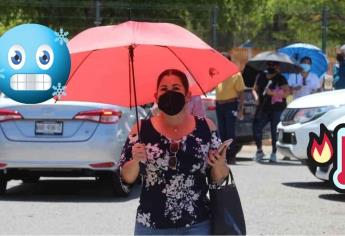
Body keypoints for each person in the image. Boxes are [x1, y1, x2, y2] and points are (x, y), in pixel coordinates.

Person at [119, 69, 230, 235]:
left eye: (176, 88)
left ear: (187, 95)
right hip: (150, 225)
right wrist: (135, 160)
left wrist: (220, 165)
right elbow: (126, 178)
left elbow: (219, 177)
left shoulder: (206, 128)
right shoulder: (142, 130)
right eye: (164, 89)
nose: (170, 93)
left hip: (196, 224)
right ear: (156, 96)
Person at [253, 61, 290, 162]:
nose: (271, 66)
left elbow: (287, 92)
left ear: (277, 66)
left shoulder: (281, 78)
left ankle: (274, 153)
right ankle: (259, 150)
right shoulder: (260, 76)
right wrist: (256, 97)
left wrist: (273, 93)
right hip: (263, 107)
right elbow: (254, 89)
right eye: (269, 64)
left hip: (277, 108)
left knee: (274, 131)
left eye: (273, 65)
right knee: (256, 128)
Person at [215, 52, 245, 164]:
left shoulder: (235, 74)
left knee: (230, 132)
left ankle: (232, 156)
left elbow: (241, 94)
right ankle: (224, 156)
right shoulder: (218, 74)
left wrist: (241, 109)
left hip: (230, 105)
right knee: (221, 132)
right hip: (219, 105)